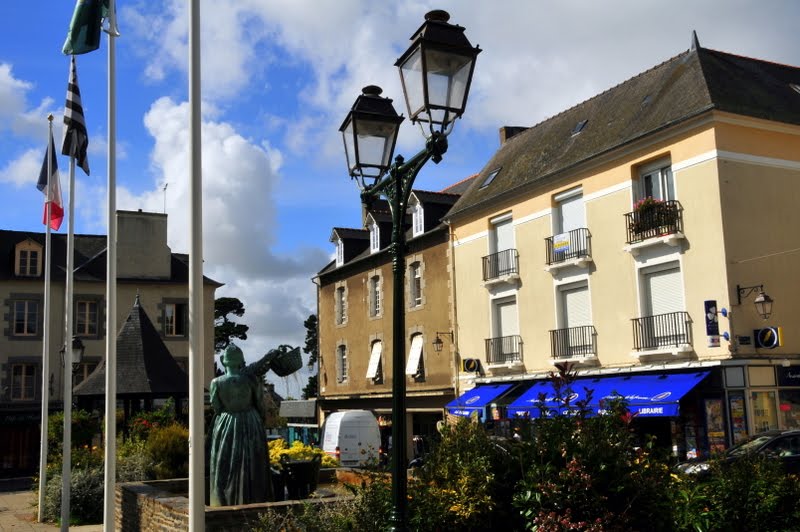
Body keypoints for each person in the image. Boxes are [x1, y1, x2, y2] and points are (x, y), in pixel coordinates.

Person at [208, 343, 278, 506]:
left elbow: (216, 407)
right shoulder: (251, 380)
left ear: (224, 362)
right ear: (241, 361)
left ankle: (222, 500)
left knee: (224, 463)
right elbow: (260, 404)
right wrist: (260, 422)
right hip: (251, 421)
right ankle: (255, 496)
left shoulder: (216, 382)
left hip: (226, 423)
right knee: (253, 461)